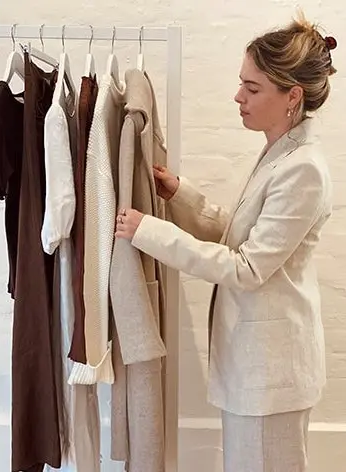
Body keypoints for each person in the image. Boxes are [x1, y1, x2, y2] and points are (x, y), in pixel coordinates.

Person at [115, 12, 336, 472]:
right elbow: (241, 234)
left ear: (292, 96)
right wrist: (182, 195)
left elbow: (247, 268)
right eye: (242, 84)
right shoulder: (280, 153)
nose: (239, 97)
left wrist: (151, 232)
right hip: (254, 367)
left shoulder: (304, 169)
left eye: (252, 88)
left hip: (271, 373)